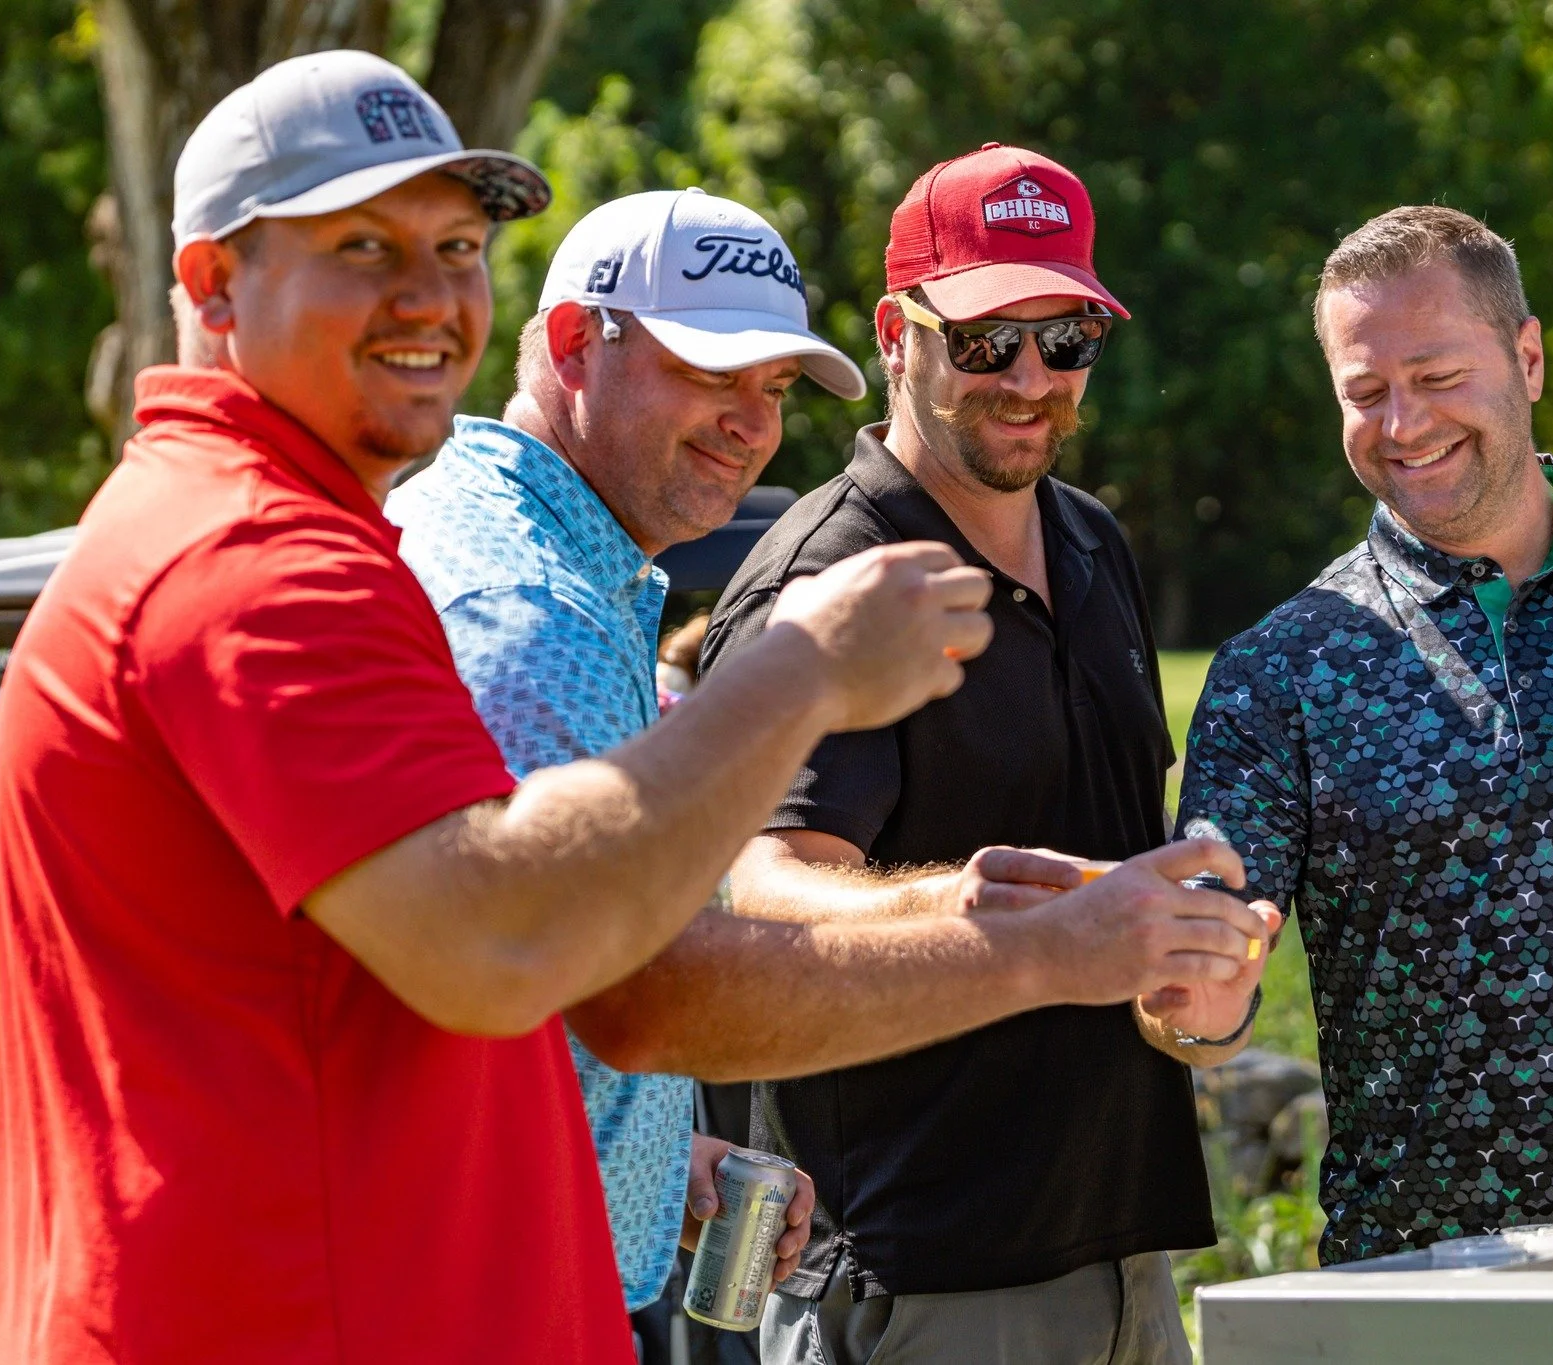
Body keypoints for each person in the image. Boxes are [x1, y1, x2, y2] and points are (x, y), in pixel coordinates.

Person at [0, 52, 1001, 1365]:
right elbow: (513, 941)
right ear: (211, 282)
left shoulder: (275, 528)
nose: (427, 295)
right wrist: (797, 671)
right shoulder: (258, 563)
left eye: (457, 244)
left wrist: (643, 1145)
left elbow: (389, 994)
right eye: (361, 245)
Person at [388, 188, 1274, 1323]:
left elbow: (530, 969)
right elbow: (646, 986)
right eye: (711, 374)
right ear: (572, 345)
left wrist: (664, 1154)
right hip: (545, 1291)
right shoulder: (533, 604)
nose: (749, 423)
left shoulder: (587, 572)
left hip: (1076, 1231)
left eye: (769, 388)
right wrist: (1034, 942)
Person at [705, 144, 1278, 1365]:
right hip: (926, 1275)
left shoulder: (1088, 542)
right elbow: (754, 888)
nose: (1028, 379)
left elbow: (1115, 888)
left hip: (1124, 1249)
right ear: (893, 334)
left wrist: (1193, 965)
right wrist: (961, 907)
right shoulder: (829, 574)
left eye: (1064, 340)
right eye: (982, 340)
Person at [1176, 204, 1553, 1265]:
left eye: (1436, 378)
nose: (1401, 424)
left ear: (1525, 359)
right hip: (1423, 1277)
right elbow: (1199, 985)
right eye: (1364, 393)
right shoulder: (1282, 669)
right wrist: (1195, 1001)